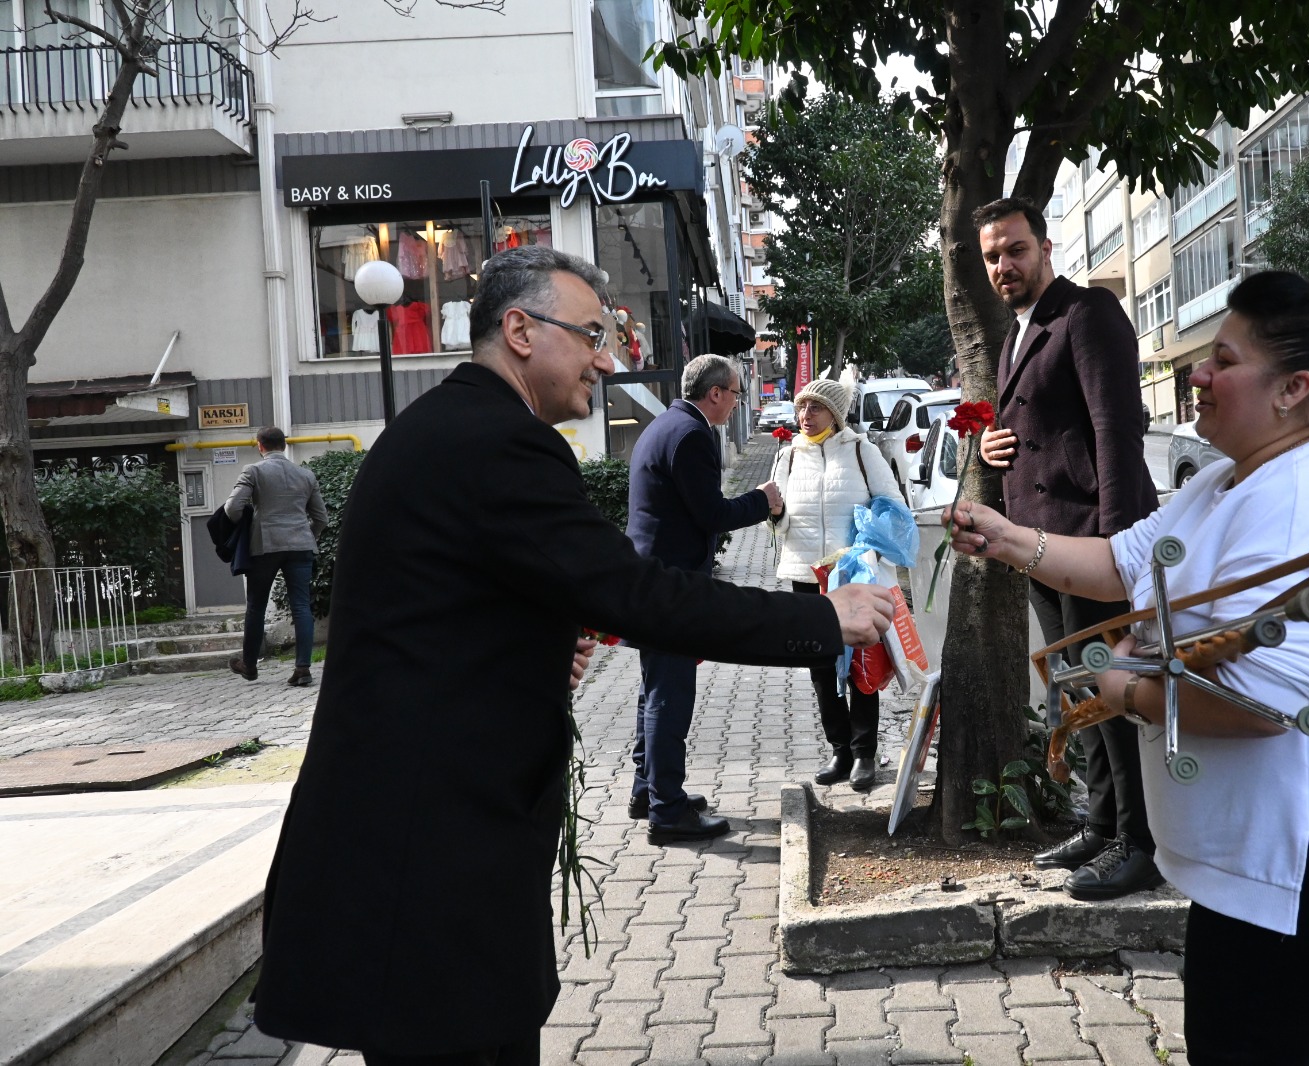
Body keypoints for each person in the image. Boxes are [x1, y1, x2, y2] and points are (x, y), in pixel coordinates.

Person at [252, 246, 894, 1065]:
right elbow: (637, 593)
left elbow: (438, 622)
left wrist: (530, 645)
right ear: (519, 329)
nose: (607, 357)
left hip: (411, 852)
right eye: (591, 334)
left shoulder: (447, 427)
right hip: (430, 869)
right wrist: (822, 620)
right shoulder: (499, 443)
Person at [945, 271, 1309, 1065]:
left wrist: (1120, 686)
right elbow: (1122, 560)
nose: (1198, 375)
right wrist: (1008, 538)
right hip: (1269, 868)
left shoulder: (1301, 499)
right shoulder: (1231, 479)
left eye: (1222, 359)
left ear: (1294, 389)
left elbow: (1261, 706)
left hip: (1304, 869)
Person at [972, 197, 1161, 900]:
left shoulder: (1086, 314)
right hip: (1039, 545)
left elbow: (1116, 429)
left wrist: (1115, 546)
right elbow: (1039, 426)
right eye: (992, 256)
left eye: (1015, 250)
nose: (1003, 266)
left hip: (1090, 541)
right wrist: (992, 447)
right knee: (1078, 689)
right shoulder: (1016, 334)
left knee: (1108, 691)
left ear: (1045, 248)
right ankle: (1103, 821)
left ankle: (1139, 844)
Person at [627, 354, 784, 842]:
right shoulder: (692, 434)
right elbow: (710, 513)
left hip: (653, 578)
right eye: (736, 393)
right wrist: (764, 500)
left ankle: (648, 789)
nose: (737, 403)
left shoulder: (666, 424)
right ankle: (668, 812)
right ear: (715, 393)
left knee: (654, 690)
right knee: (669, 696)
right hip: (670, 585)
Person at [770, 377, 903, 792]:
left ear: (836, 413)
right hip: (807, 574)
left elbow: (894, 505)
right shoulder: (787, 456)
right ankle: (839, 749)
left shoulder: (863, 451)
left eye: (814, 408)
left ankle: (865, 753)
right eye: (800, 409)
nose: (804, 417)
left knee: (862, 665)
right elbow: (778, 519)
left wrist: (869, 549)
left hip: (855, 577)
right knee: (822, 669)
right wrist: (773, 516)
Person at [224, 426, 328, 687]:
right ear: (284, 444)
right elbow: (321, 518)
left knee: (256, 607)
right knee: (302, 606)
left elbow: (233, 508)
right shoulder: (305, 474)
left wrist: (246, 525)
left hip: (265, 546)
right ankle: (302, 668)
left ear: (260, 445)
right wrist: (307, 536)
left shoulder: (254, 471)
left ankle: (249, 665)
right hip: (301, 546)